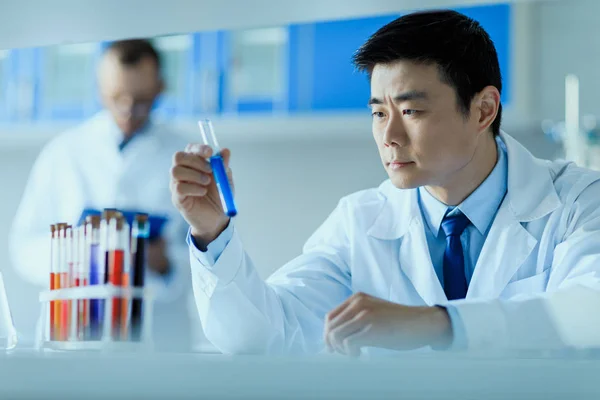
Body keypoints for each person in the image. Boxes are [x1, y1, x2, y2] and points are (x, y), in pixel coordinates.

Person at [170, 10, 600, 355]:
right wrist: (212, 232)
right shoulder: (360, 221)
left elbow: (589, 312)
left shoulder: (578, 201)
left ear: (484, 110)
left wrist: (436, 322)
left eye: (411, 111)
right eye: (378, 113)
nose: (389, 136)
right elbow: (263, 336)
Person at [11, 39, 197, 351]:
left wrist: (165, 263)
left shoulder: (184, 156)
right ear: (99, 89)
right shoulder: (64, 152)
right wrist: (77, 253)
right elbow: (22, 247)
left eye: (140, 100)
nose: (127, 110)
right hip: (75, 331)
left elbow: (215, 256)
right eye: (115, 97)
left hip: (160, 334)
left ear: (160, 88)